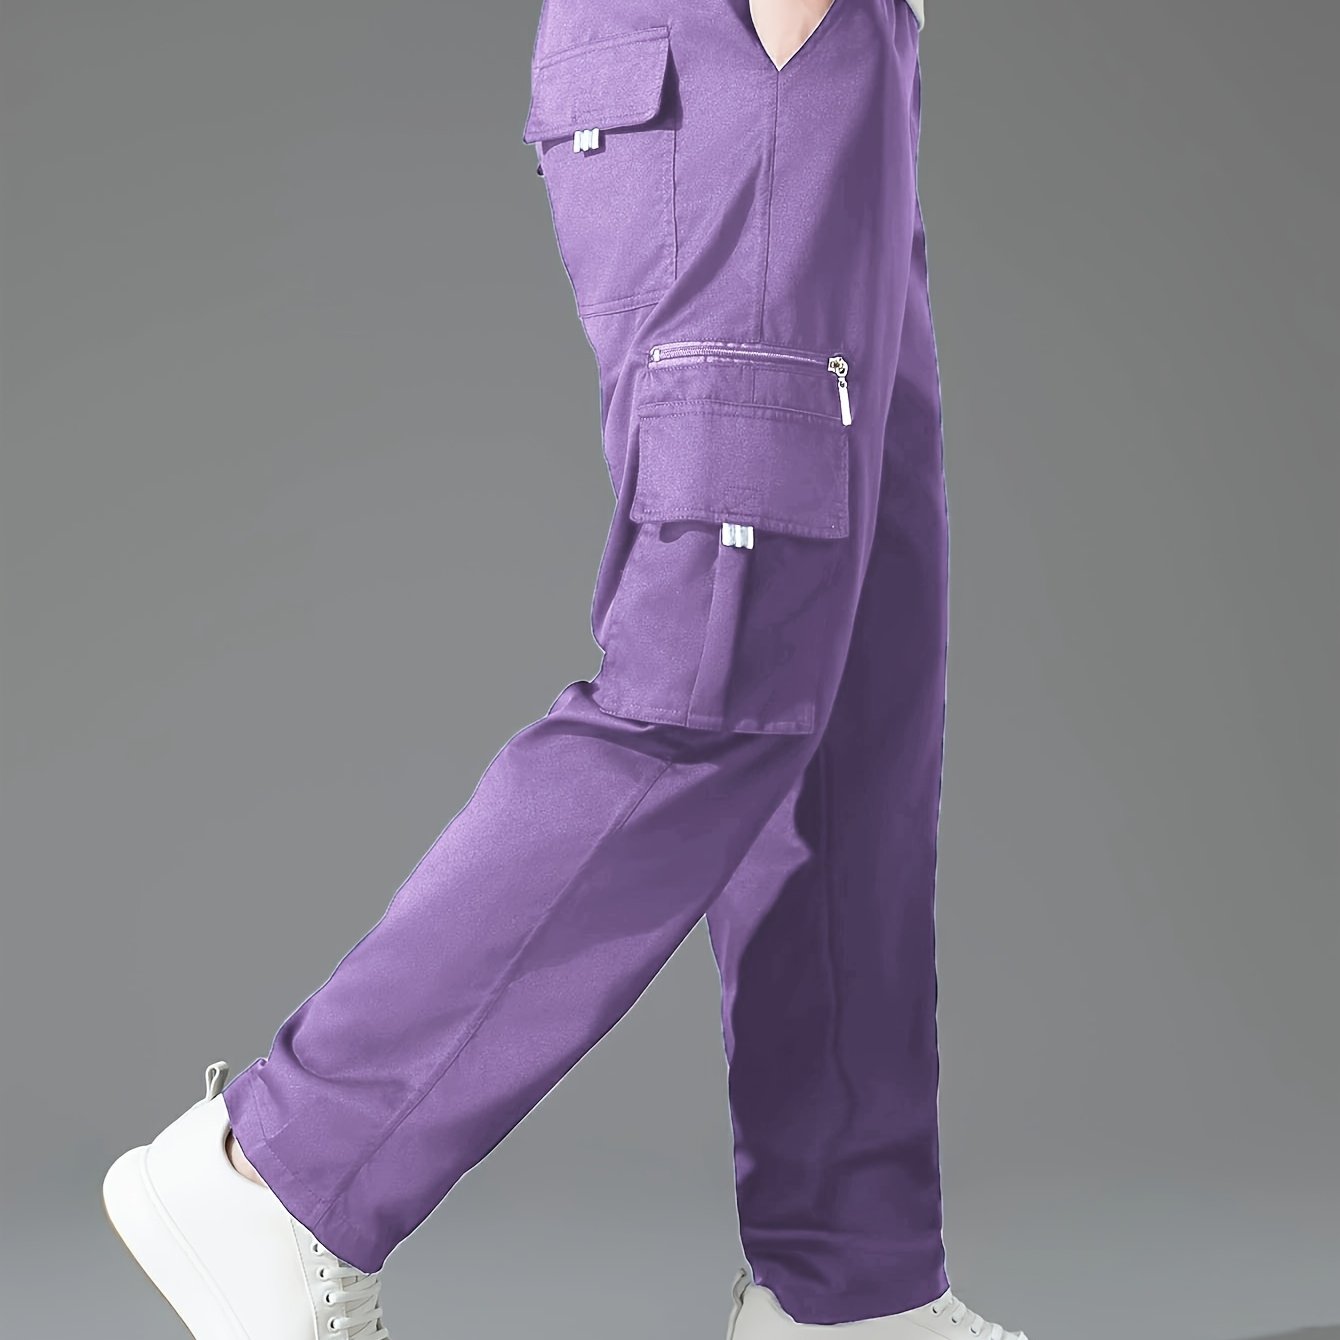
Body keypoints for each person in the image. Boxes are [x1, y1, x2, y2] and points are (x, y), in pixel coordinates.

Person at [102, 2, 1031, 1338]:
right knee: (716, 672)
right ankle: (278, 1173)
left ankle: (848, 1293)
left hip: (846, 69)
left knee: (854, 716)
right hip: (751, 51)